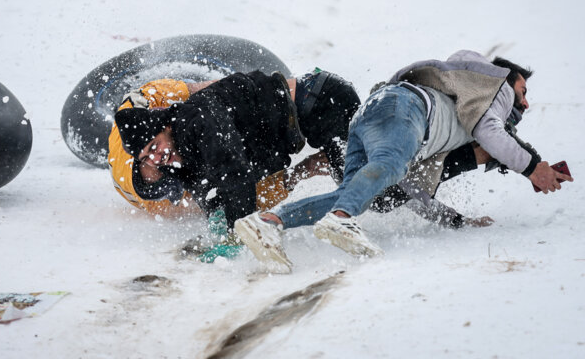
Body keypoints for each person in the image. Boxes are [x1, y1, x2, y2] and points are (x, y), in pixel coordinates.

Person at [235, 50, 573, 270]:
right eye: (524, 92)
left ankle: (268, 222)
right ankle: (341, 219)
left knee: (355, 193)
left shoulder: (461, 114)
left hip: (372, 112)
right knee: (389, 166)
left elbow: (417, 194)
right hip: (406, 108)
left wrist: (459, 222)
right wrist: (533, 168)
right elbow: (492, 131)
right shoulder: (496, 86)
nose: (525, 104)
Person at [114, 70, 361, 229]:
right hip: (311, 122)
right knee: (358, 184)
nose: (158, 158)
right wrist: (217, 223)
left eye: (154, 147)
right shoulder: (187, 157)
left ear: (165, 126)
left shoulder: (197, 118)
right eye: (149, 158)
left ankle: (393, 96)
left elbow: (233, 173)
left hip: (322, 101)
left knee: (364, 191)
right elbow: (216, 195)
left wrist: (237, 231)